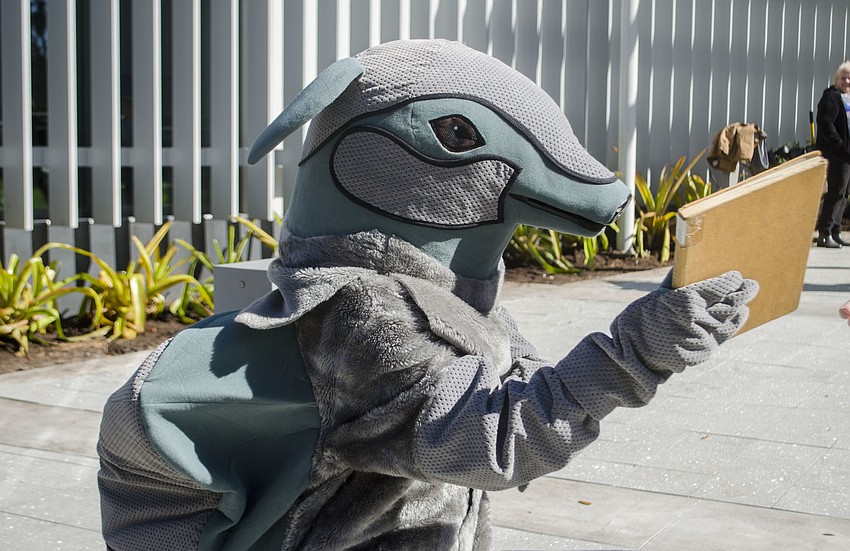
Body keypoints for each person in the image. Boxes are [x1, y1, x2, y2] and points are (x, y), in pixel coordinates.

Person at [815, 61, 850, 248]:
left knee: (844, 194)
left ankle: (835, 231)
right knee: (835, 193)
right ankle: (824, 233)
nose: (846, 81)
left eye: (849, 78)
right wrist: (839, 144)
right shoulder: (831, 97)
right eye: (843, 77)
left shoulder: (848, 98)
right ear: (837, 79)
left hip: (847, 155)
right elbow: (825, 123)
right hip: (838, 155)